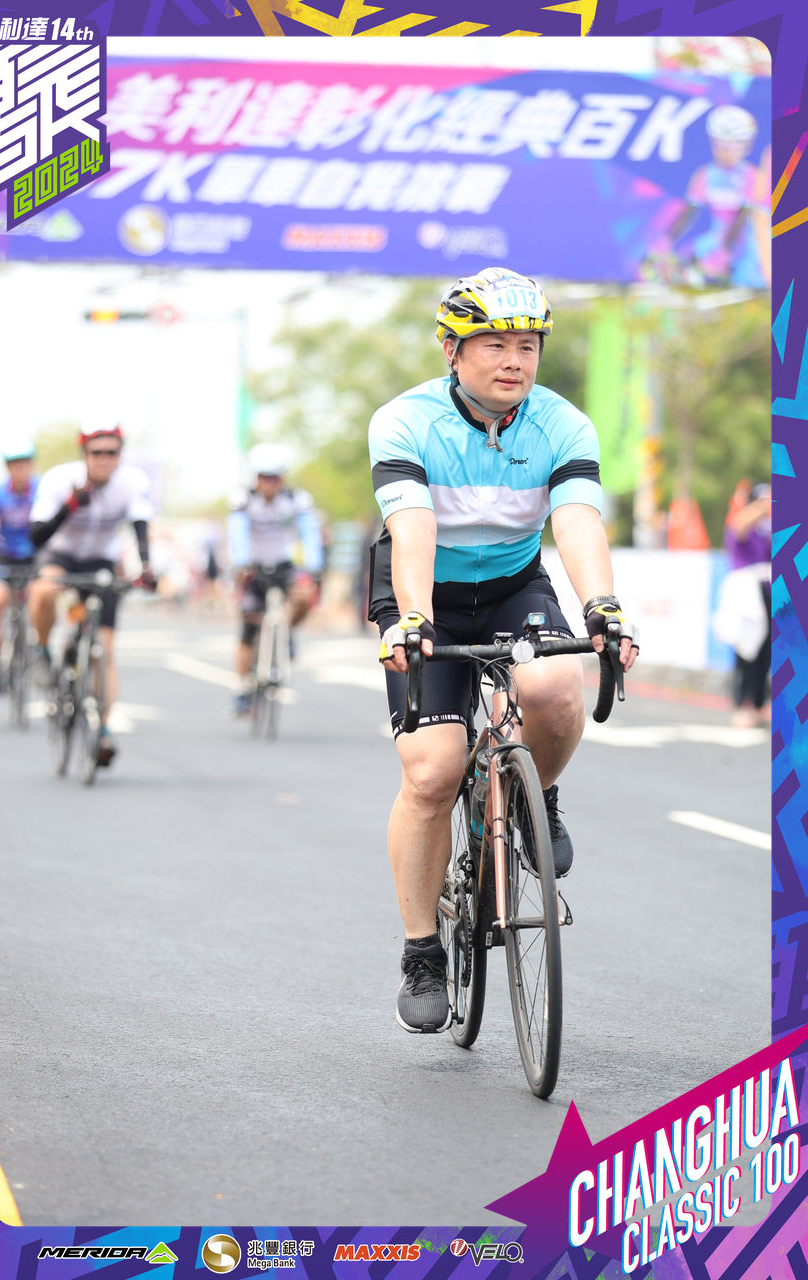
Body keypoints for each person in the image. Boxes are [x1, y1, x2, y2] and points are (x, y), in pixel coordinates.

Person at [367, 267, 639, 1034]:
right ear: (451, 350)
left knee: (554, 688)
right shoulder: (405, 420)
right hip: (425, 590)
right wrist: (412, 619)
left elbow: (575, 521)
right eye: (494, 344)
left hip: (514, 584)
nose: (514, 360)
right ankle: (422, 949)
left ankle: (532, 795)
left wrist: (601, 605)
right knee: (432, 771)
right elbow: (411, 529)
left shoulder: (561, 423)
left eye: (527, 345)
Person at [27, 426, 156, 766]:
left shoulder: (132, 482)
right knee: (43, 590)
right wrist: (69, 506)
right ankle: (41, 650)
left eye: (111, 452)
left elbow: (141, 527)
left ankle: (103, 730)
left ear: (120, 455)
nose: (104, 459)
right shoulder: (59, 480)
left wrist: (146, 568)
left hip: (101, 560)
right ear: (84, 454)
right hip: (60, 555)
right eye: (97, 453)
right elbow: (36, 537)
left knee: (106, 649)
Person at [227, 443, 324, 716]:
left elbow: (309, 533)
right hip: (253, 566)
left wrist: (313, 567)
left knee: (304, 595)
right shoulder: (243, 499)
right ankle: (241, 690)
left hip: (284, 565)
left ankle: (286, 630)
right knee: (248, 627)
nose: (269, 484)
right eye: (263, 477)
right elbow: (237, 533)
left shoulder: (296, 499)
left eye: (274, 478)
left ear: (282, 478)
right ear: (255, 478)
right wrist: (241, 563)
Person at [640, 104, 765, 289]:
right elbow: (688, 213)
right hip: (715, 240)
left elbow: (743, 219)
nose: (724, 153)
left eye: (731, 147)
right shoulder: (705, 175)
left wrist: (723, 254)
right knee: (681, 265)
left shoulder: (753, 177)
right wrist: (666, 242)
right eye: (719, 146)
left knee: (746, 286)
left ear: (746, 148)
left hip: (747, 247)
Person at [715, 480, 772, 728]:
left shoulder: (769, 530)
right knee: (746, 647)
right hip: (746, 593)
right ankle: (743, 703)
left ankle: (759, 703)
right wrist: (763, 505)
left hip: (768, 591)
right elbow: (738, 526)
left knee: (767, 649)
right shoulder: (742, 523)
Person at [0, 440, 39, 692]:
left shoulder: (41, 490)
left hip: (34, 556)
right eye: (14, 465)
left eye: (24, 464)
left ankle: (37, 651)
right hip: (6, 557)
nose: (20, 470)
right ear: (8, 468)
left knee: (37, 599)